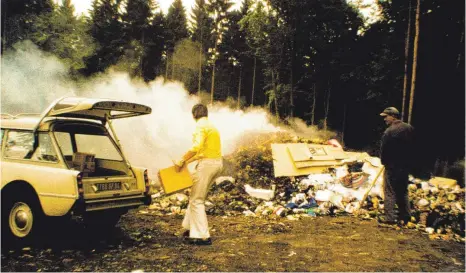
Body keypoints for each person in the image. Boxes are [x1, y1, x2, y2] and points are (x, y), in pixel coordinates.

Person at [174, 103, 223, 245]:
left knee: (196, 200)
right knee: (196, 197)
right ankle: (189, 228)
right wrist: (187, 161)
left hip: (207, 165)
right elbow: (202, 152)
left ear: (194, 114)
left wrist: (182, 159)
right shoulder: (211, 126)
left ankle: (202, 236)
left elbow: (196, 147)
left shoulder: (200, 126)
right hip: (217, 164)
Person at [378, 107, 415, 226]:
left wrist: (384, 162)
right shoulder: (409, 128)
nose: (384, 119)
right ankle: (406, 216)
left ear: (393, 116)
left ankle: (390, 218)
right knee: (403, 190)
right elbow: (416, 147)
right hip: (405, 166)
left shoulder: (389, 132)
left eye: (386, 116)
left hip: (392, 166)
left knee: (389, 191)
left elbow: (384, 150)